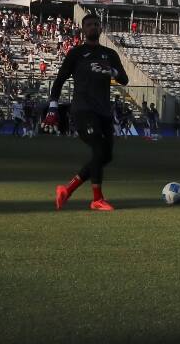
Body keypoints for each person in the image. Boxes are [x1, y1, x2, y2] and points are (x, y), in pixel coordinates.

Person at [46, 14, 129, 212]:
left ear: (101, 29)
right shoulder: (76, 53)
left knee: (105, 156)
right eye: (89, 25)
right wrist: (53, 106)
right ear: (83, 30)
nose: (93, 27)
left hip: (104, 112)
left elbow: (124, 80)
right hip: (83, 110)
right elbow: (59, 80)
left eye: (96, 25)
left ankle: (66, 190)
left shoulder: (110, 54)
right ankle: (97, 199)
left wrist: (112, 71)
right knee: (99, 149)